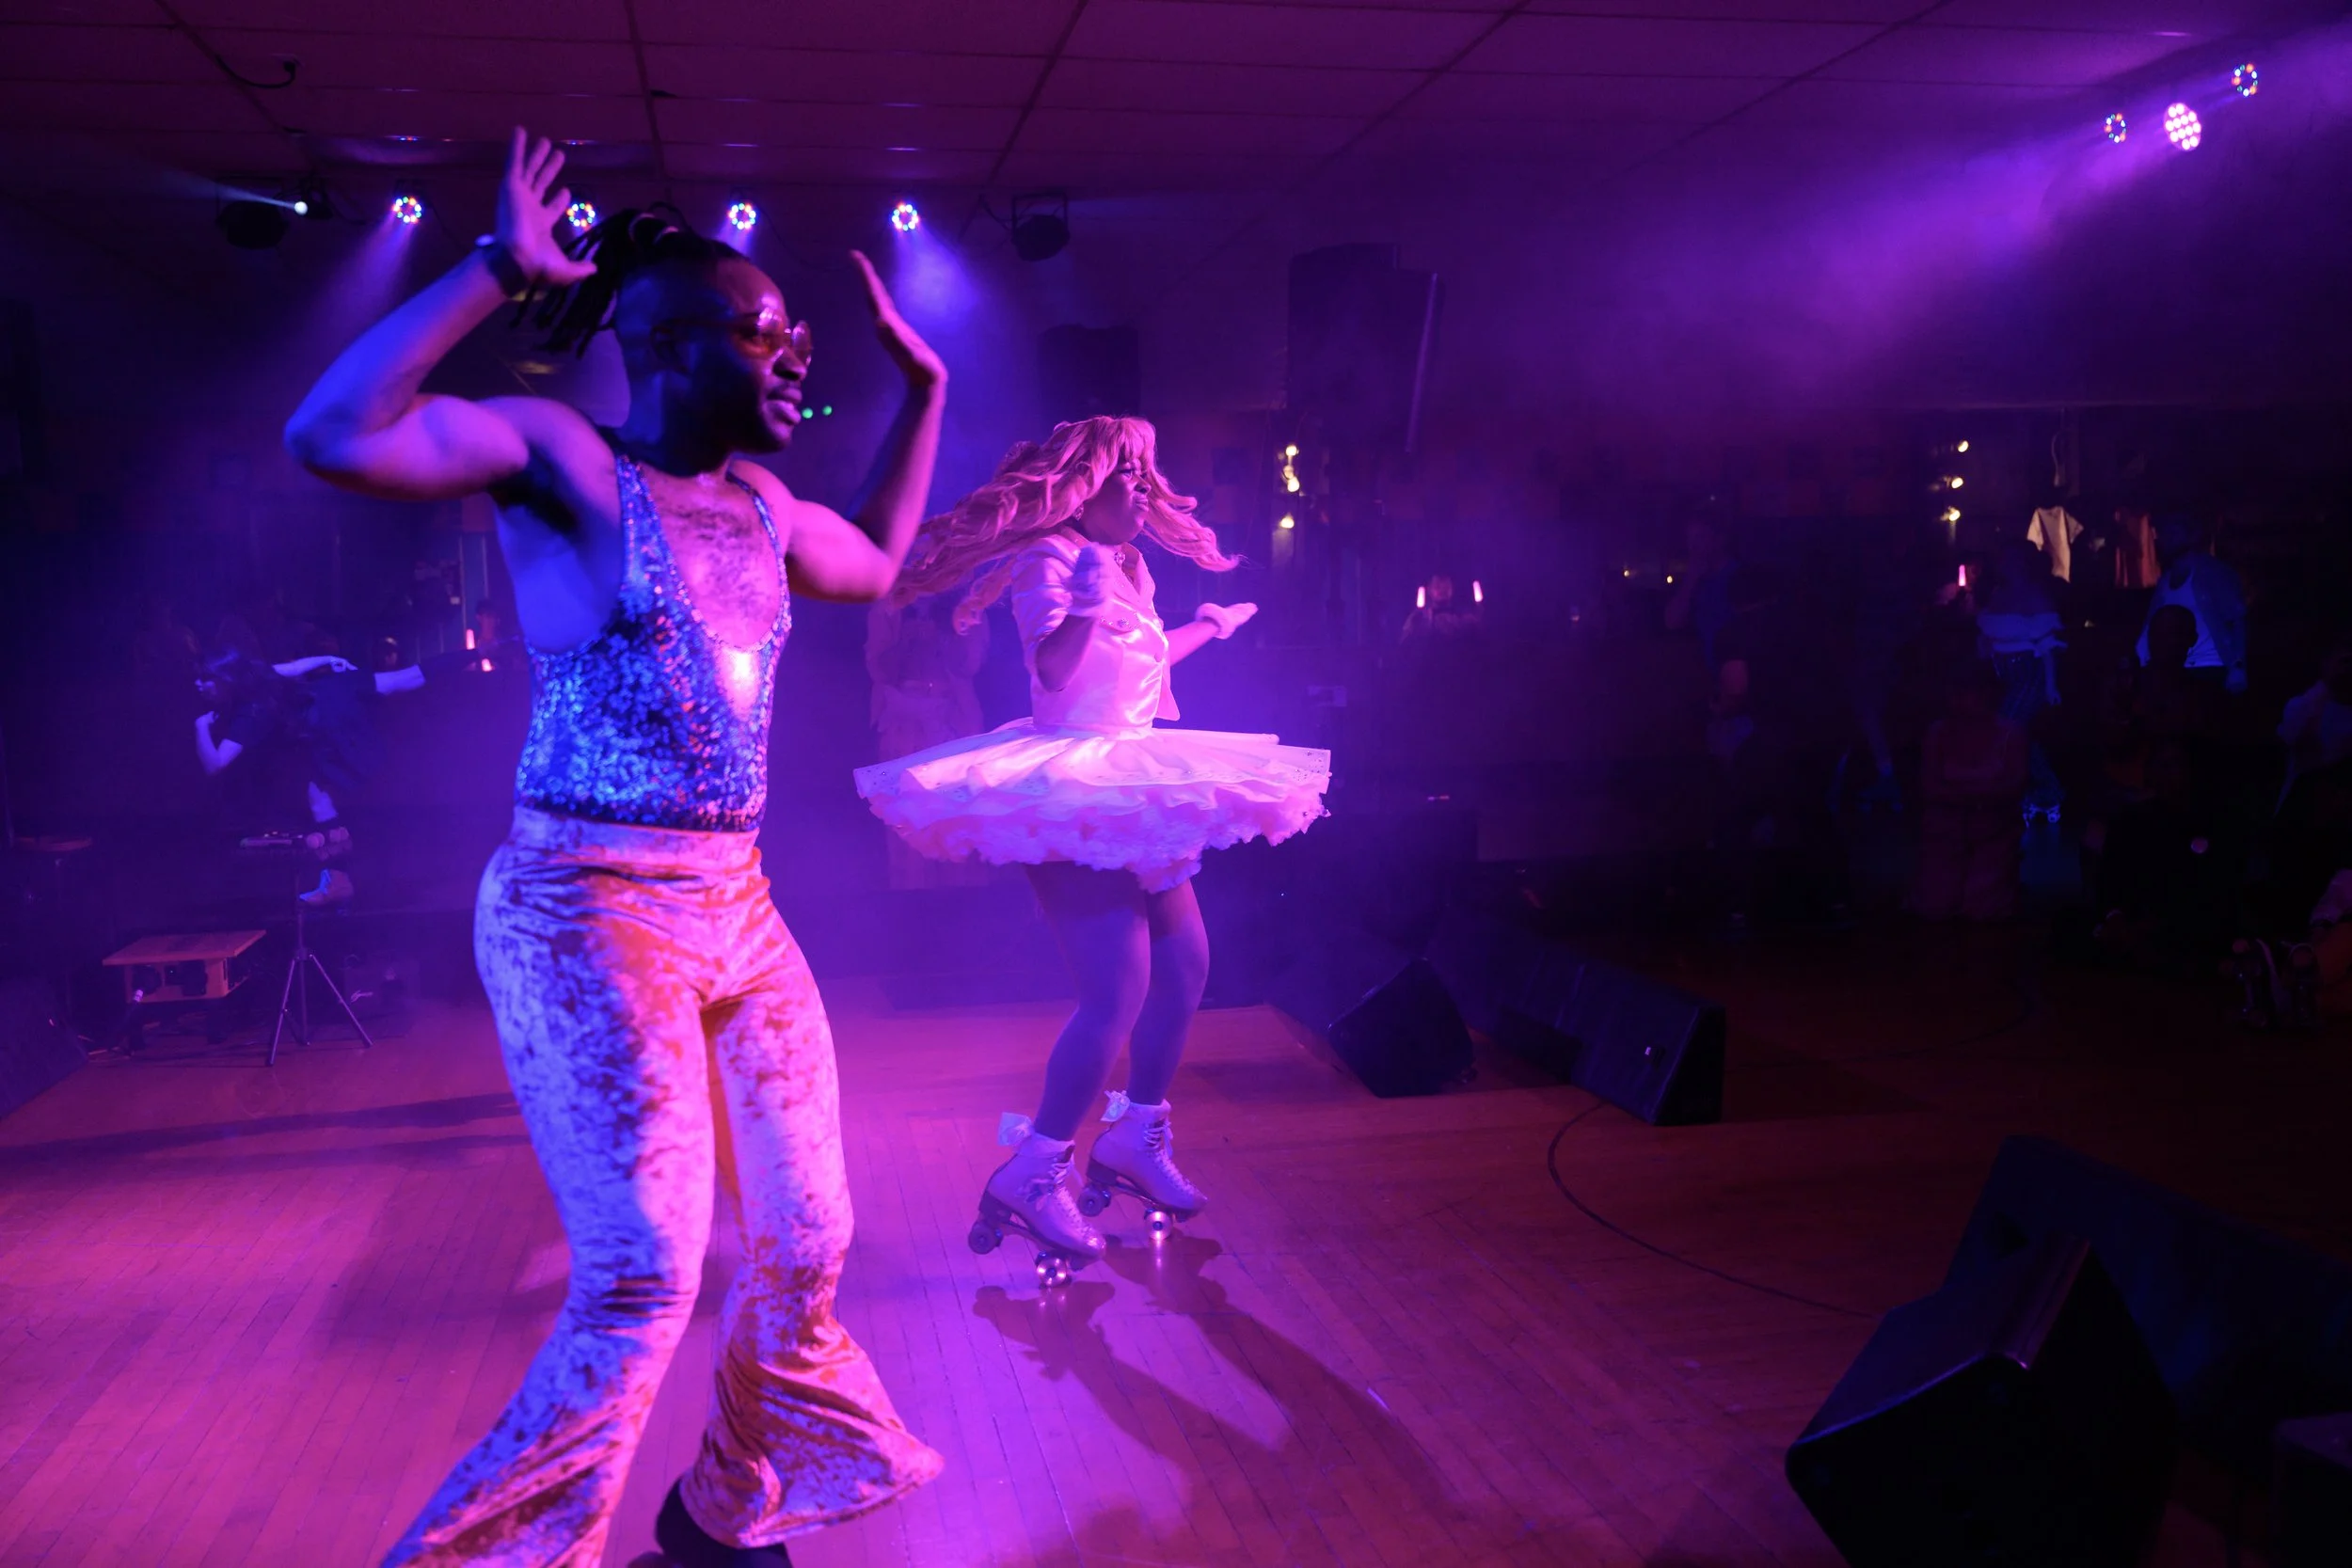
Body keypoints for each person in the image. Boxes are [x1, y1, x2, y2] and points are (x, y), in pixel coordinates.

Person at [283, 129, 947, 1568]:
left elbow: (885, 562)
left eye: (800, 341)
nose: (791, 361)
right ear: (666, 340)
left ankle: (721, 1508)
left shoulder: (767, 510)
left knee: (808, 1243)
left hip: (738, 906)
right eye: (769, 334)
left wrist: (928, 392)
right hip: (583, 908)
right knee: (644, 1272)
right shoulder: (565, 463)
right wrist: (487, 273)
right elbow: (330, 432)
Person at [854, 417, 1329, 1281]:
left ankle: (1134, 1135)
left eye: (1149, 481)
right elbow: (1056, 672)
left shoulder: (1128, 564)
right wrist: (1077, 604)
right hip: (1075, 789)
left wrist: (1211, 627)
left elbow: (1137, 664)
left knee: (1187, 962)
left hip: (1136, 777)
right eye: (1129, 481)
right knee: (1121, 986)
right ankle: (1033, 1168)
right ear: (1086, 486)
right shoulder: (1049, 560)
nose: (1143, 495)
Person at [194, 647, 420, 902]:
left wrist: (200, 728)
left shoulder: (251, 713)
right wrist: (328, 659)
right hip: (294, 753)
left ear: (225, 679)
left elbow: (215, 764)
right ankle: (338, 881)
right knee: (320, 806)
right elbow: (291, 668)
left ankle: (337, 880)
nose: (197, 684)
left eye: (205, 678)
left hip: (296, 753)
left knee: (317, 810)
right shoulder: (254, 679)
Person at [863, 593, 992, 889]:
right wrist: (910, 638)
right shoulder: (889, 605)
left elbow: (969, 663)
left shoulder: (968, 600)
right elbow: (879, 669)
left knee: (957, 815)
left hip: (951, 719)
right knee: (906, 814)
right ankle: (913, 902)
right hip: (901, 720)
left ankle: (965, 902)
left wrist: (947, 630)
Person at [1910, 664, 2029, 922]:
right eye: (1965, 692)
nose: (1971, 699)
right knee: (1936, 907)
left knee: (1983, 909)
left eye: (1978, 692)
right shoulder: (1937, 733)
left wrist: (1960, 797)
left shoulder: (2011, 733)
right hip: (1945, 832)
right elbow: (1928, 786)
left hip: (1994, 831)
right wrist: (1981, 797)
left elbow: (2016, 785)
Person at [2136, 514, 2247, 694]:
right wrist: (2140, 659)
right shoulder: (2165, 580)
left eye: (2173, 532)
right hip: (2173, 669)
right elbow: (2151, 624)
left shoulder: (2214, 572)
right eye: (2163, 532)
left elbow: (2237, 620)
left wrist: (2238, 667)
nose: (2164, 538)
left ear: (2191, 535)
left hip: (2210, 668)